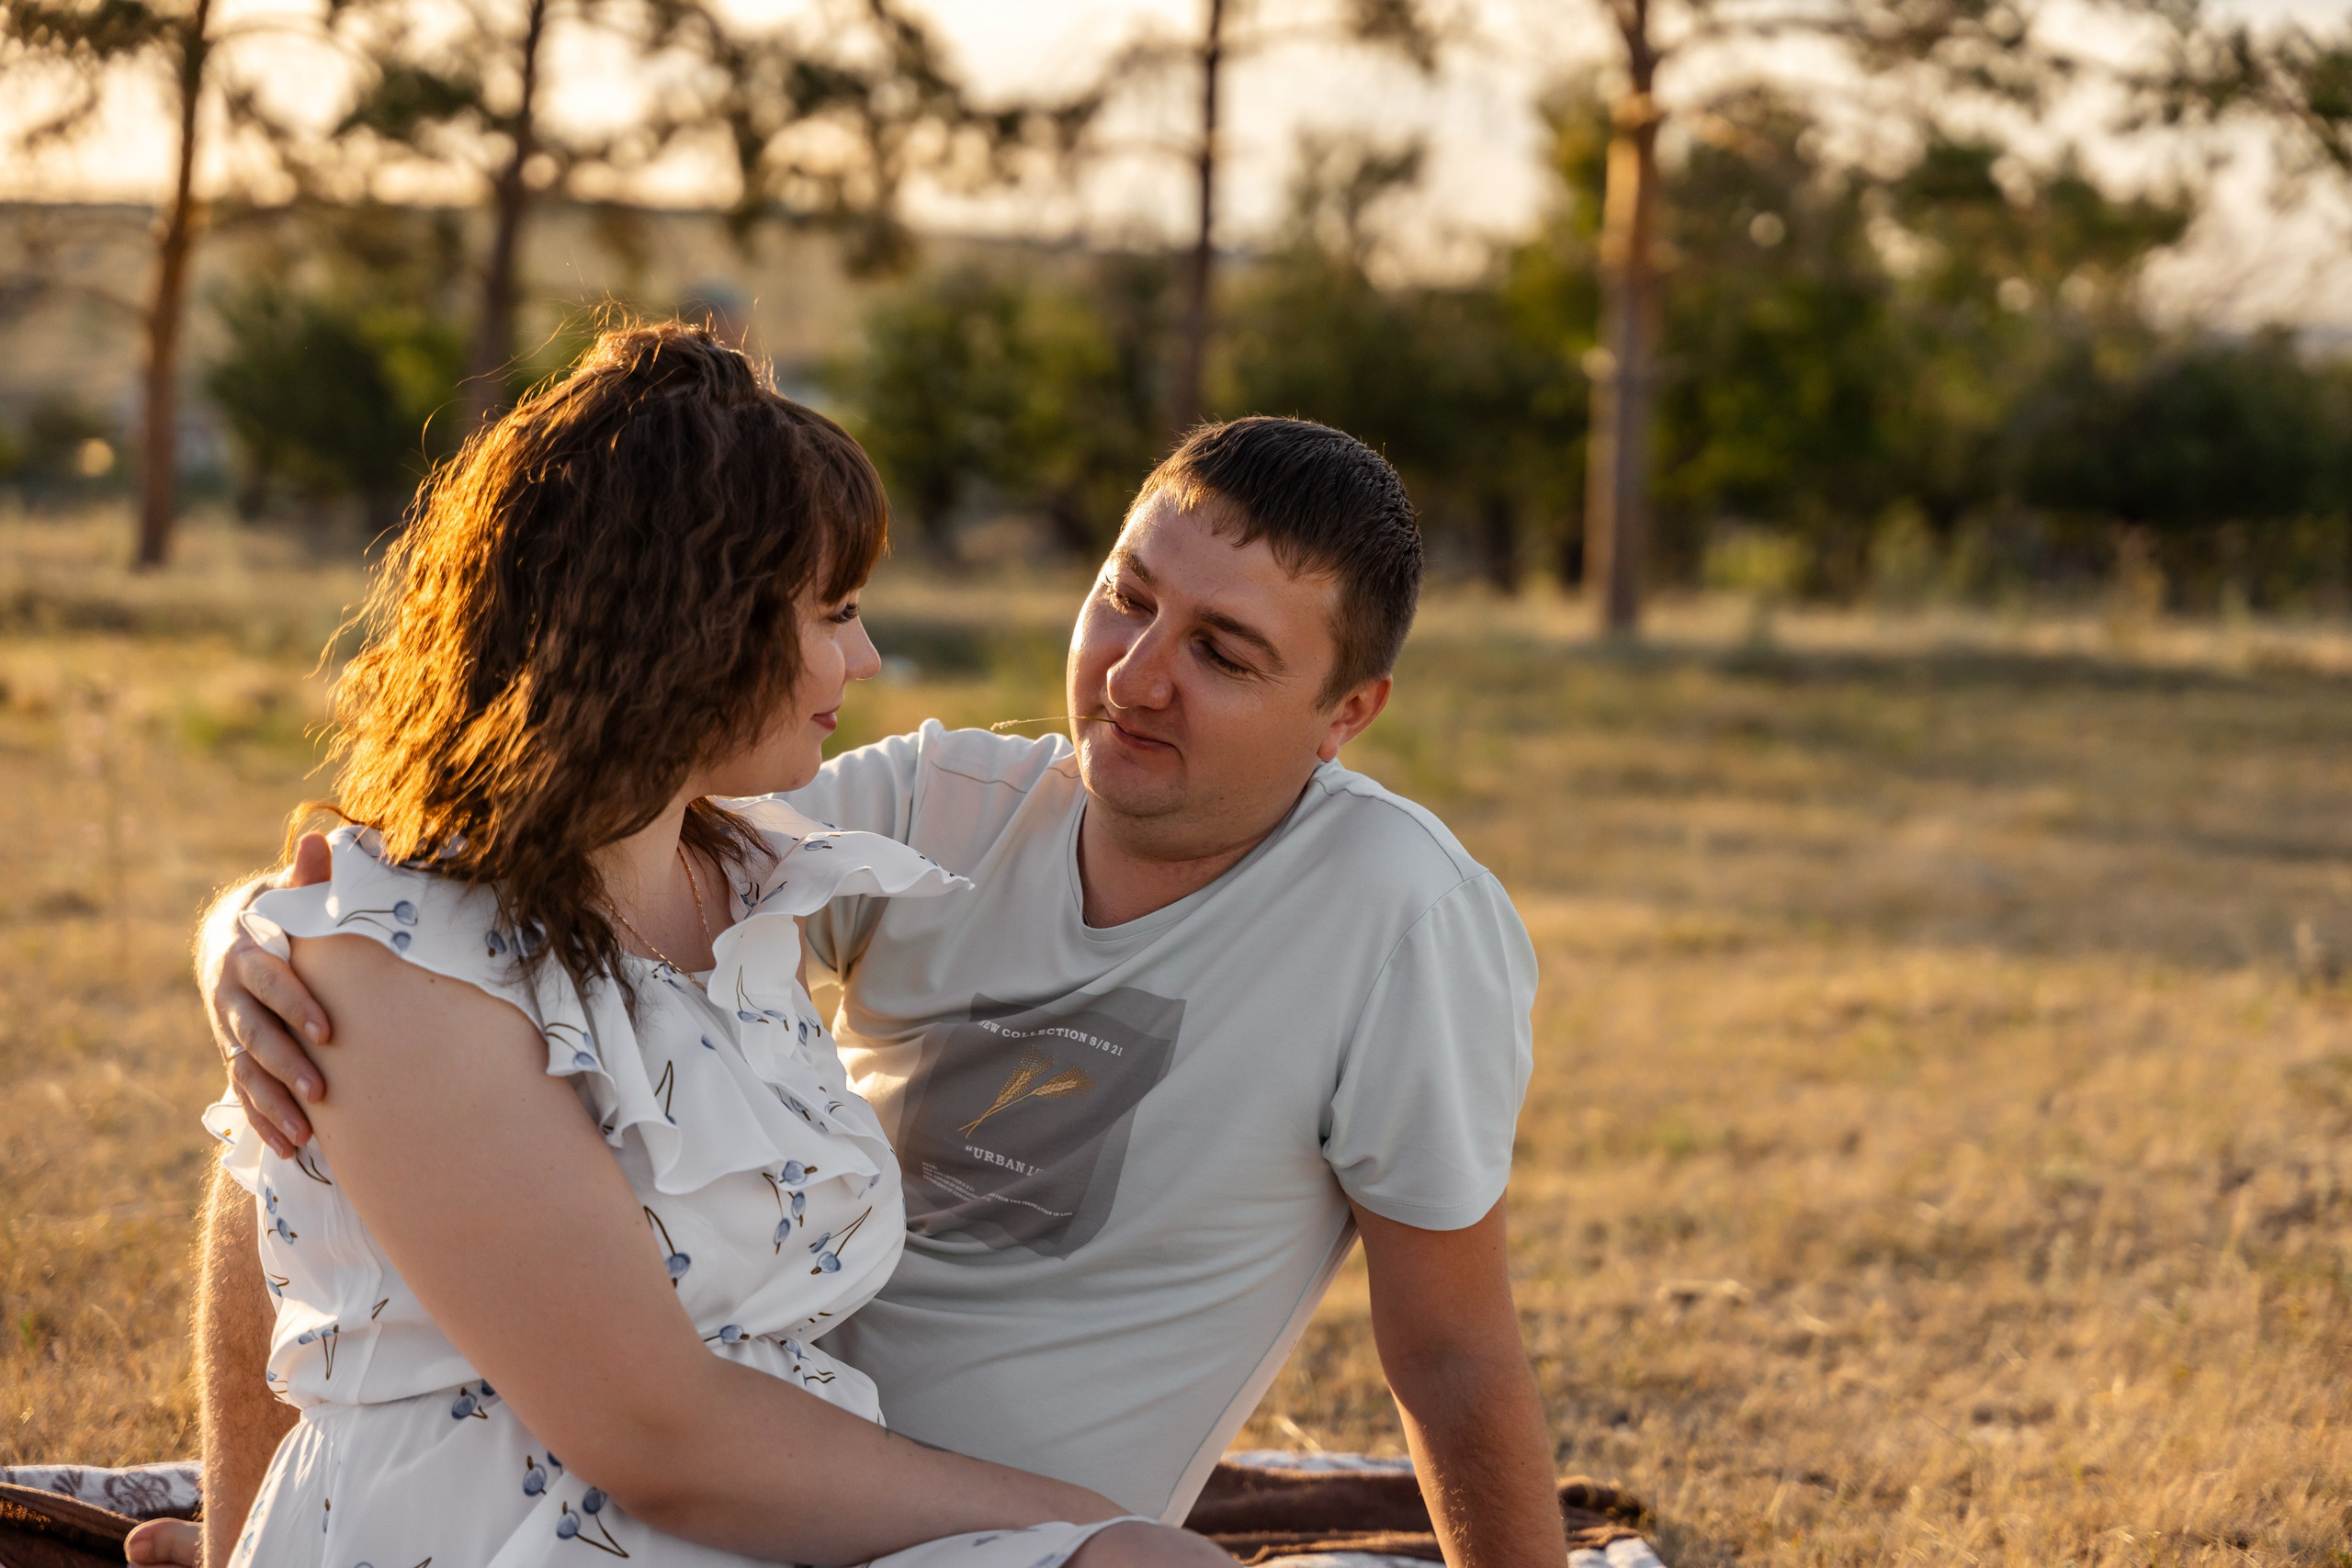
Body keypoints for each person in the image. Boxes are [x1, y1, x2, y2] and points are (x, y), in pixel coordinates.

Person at [194, 416, 1566, 1566]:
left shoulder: (1400, 918)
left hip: (991, 1537)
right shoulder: (935, 807)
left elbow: (1452, 1354)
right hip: (700, 1456)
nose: (1138, 676)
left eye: (1226, 652)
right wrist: (253, 936)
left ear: (1346, 715)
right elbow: (552, 858)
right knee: (298, 1103)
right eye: (1127, 599)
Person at [151, 321, 1224, 1568]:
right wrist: (1087, 1524)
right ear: (690, 629)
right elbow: (661, 1439)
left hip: (758, 1518)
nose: (864, 659)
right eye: (834, 614)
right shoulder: (397, 965)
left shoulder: (749, 880)